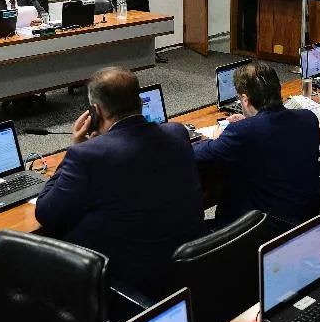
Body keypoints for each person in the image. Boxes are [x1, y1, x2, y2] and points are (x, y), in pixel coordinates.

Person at [34, 67, 205, 299]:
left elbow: (46, 213)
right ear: (141, 103)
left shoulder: (87, 156)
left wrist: (76, 148)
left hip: (127, 281)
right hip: (186, 267)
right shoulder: (176, 133)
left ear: (95, 111)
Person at [193, 61, 320, 227]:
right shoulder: (308, 118)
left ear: (245, 99)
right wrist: (250, 121)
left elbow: (198, 154)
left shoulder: (242, 132)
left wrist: (216, 139)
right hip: (306, 215)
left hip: (262, 227)